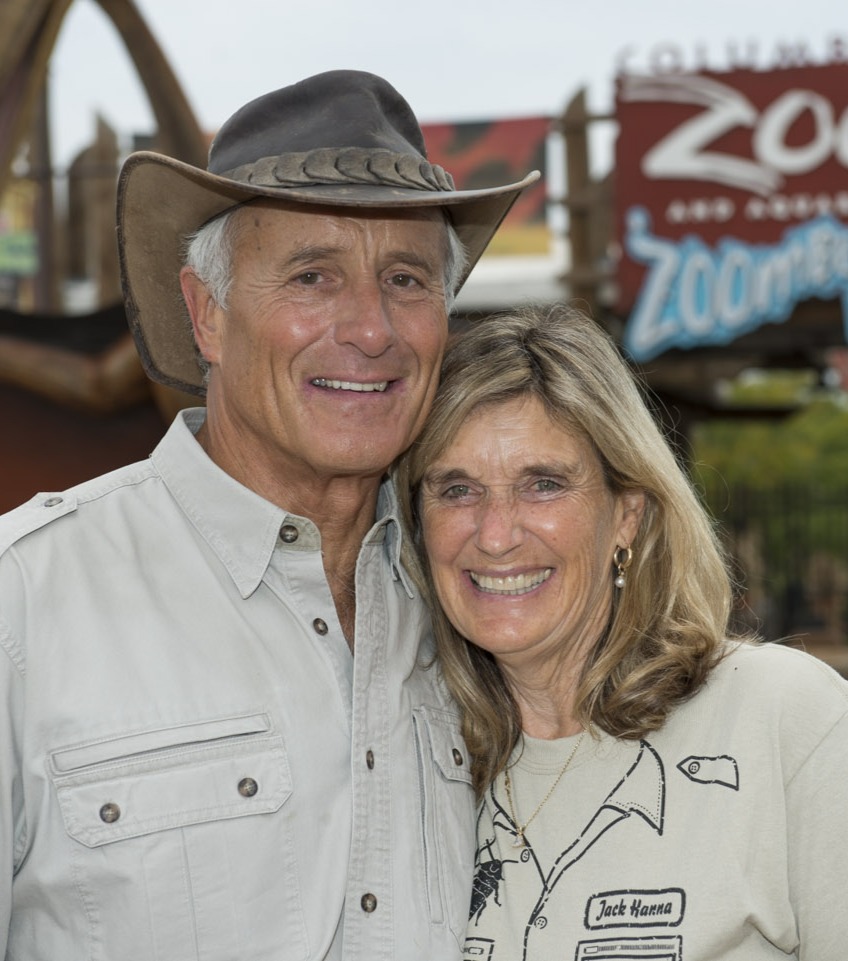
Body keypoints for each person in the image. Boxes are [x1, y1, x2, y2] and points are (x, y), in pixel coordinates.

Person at [0, 70, 538, 959]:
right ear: (207, 315)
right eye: (312, 276)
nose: (371, 328)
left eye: (406, 278)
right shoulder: (26, 600)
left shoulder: (487, 603)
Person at [395, 303, 848, 961]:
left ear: (627, 515)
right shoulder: (416, 759)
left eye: (542, 484)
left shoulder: (784, 722)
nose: (494, 533)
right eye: (456, 489)